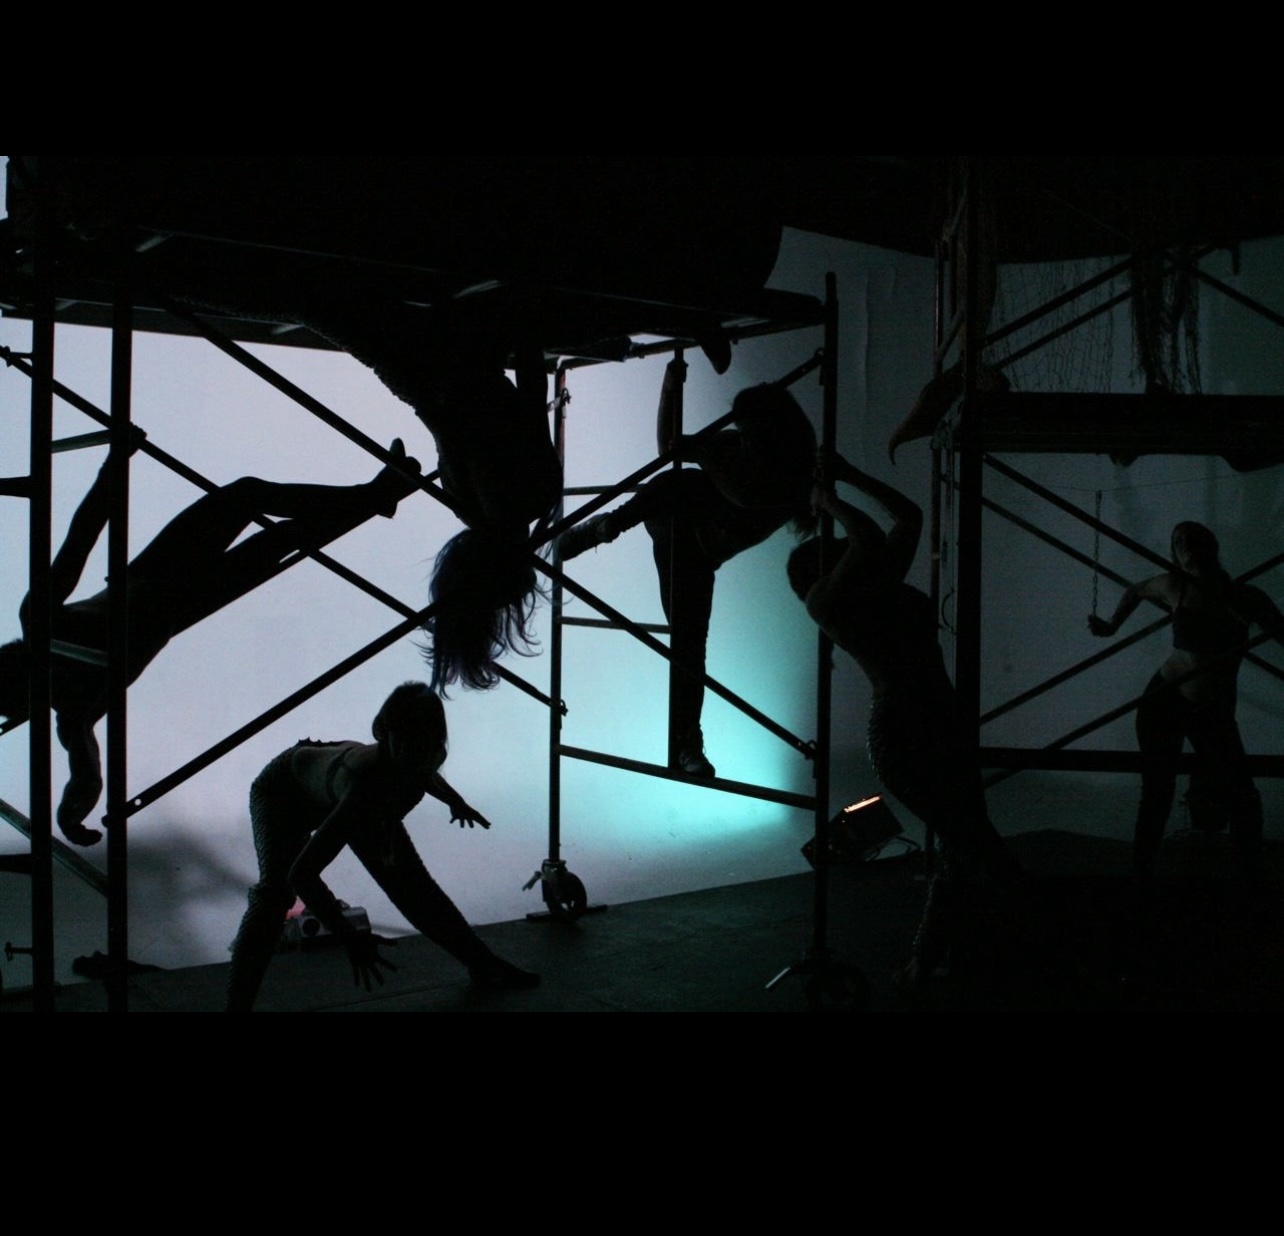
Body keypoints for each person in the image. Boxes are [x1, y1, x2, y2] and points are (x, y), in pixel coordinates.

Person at [0, 440, 423, 847]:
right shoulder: (74, 703)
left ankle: (378, 493)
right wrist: (70, 815)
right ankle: (379, 493)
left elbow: (82, 538)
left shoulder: (46, 638)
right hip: (185, 598)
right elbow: (86, 772)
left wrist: (113, 467)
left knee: (249, 499)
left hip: (159, 573)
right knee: (280, 534)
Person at [787, 450, 1022, 993]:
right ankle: (939, 954)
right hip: (905, 732)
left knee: (968, 841)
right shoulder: (826, 603)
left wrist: (850, 472)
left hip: (940, 719)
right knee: (971, 843)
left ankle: (939, 953)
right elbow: (869, 536)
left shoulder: (876, 583)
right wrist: (834, 499)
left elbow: (908, 517)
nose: (845, 552)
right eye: (835, 553)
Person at [558, 359, 816, 776]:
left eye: (750, 435)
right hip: (677, 523)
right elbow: (671, 450)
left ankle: (686, 743)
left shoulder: (793, 473)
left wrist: (707, 454)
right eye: (741, 433)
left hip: (696, 552)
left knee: (688, 649)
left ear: (773, 434)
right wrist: (671, 385)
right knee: (675, 482)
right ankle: (603, 528)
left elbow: (748, 495)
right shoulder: (739, 448)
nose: (742, 441)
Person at [226, 681, 538, 1010]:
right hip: (283, 792)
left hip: (342, 785)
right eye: (406, 744)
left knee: (415, 888)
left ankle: (483, 963)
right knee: (274, 896)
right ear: (384, 735)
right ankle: (236, 1006)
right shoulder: (364, 789)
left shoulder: (424, 757)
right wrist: (348, 937)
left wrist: (454, 800)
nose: (416, 755)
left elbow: (426, 773)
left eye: (424, 746)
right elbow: (301, 874)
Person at [1088, 521, 1282, 878]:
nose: (1185, 544)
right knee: (1158, 793)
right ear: (1175, 555)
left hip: (1212, 711)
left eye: (1191, 539)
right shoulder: (1175, 585)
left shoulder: (1245, 597)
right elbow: (1136, 590)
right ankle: (1141, 875)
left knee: (1242, 797)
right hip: (1164, 698)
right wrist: (1111, 626)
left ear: (1209, 546)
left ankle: (1252, 879)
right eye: (1178, 541)